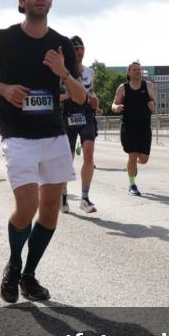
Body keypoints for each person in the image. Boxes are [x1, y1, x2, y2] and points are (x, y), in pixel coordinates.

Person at [0, 0, 85, 303]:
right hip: (17, 134)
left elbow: (80, 97)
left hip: (54, 135)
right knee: (27, 205)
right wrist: (4, 89)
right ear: (21, 0)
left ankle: (29, 275)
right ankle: (14, 264)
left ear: (51, 0)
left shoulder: (61, 44)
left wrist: (63, 72)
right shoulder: (2, 39)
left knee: (50, 210)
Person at [60, 35, 99, 213]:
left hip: (85, 115)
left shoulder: (90, 72)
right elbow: (54, 96)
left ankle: (84, 198)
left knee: (89, 155)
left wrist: (94, 100)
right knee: (67, 159)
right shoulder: (61, 72)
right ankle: (63, 194)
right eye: (75, 49)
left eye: (81, 48)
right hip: (67, 115)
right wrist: (67, 95)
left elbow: (92, 93)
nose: (79, 52)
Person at [111, 61, 155, 196]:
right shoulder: (123, 88)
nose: (137, 71)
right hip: (129, 127)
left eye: (139, 69)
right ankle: (132, 184)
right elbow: (114, 104)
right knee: (132, 154)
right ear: (128, 73)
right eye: (134, 69)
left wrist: (152, 105)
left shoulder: (148, 86)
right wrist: (117, 108)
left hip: (144, 127)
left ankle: (133, 163)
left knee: (144, 159)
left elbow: (153, 102)